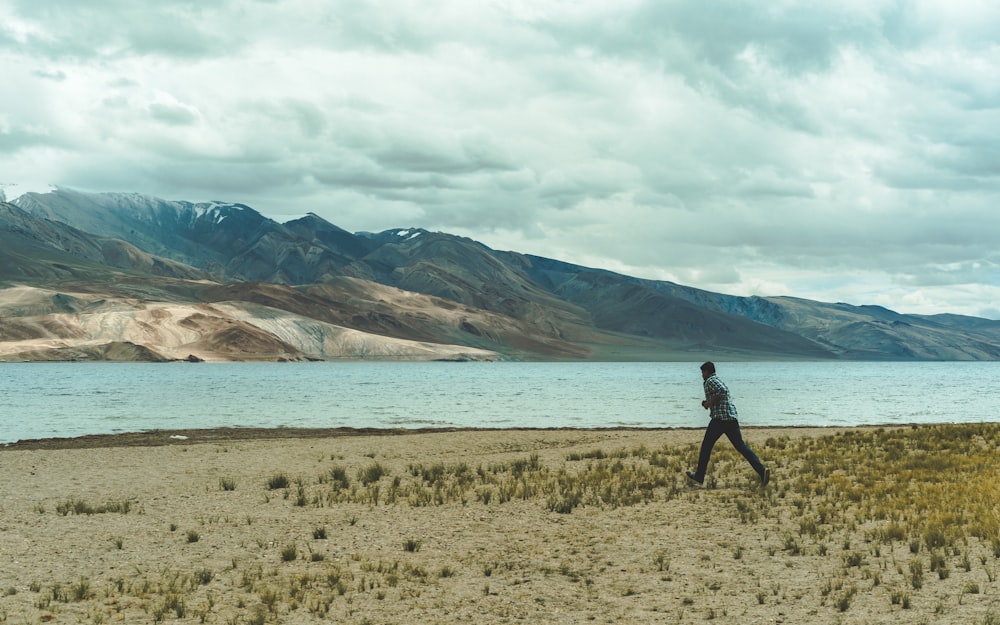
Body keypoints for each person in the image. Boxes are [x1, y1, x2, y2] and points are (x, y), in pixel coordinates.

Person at [686, 362, 771, 487]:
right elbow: (721, 394)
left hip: (720, 419)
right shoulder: (716, 379)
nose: (702, 375)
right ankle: (762, 471)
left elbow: (722, 391)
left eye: (703, 372)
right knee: (741, 447)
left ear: (708, 371)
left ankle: (699, 476)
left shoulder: (710, 380)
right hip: (731, 418)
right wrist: (709, 403)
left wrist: (709, 404)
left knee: (706, 446)